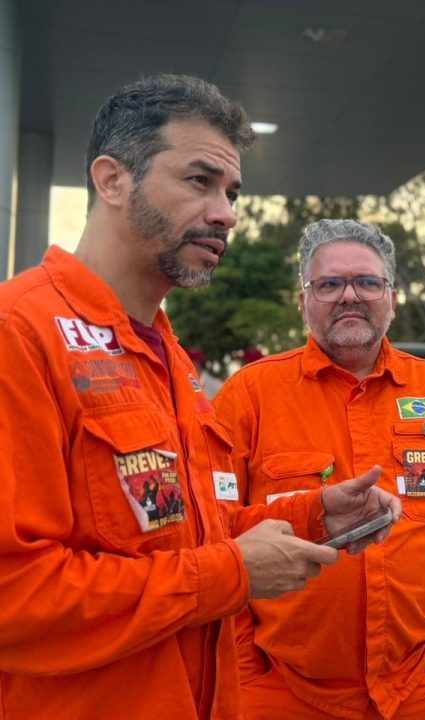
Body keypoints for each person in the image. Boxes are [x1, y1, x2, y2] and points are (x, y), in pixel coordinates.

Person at [0, 75, 400, 720]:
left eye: (232, 192)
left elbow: (179, 536)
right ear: (112, 180)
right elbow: (12, 596)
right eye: (199, 181)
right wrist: (233, 576)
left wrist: (311, 518)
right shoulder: (20, 333)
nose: (227, 213)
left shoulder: (168, 357)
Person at [213, 219, 425, 720]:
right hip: (280, 689)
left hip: (417, 687)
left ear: (390, 299)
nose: (351, 295)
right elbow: (213, 533)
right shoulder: (249, 396)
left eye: (368, 282)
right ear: (303, 301)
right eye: (329, 284)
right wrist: (245, 663)